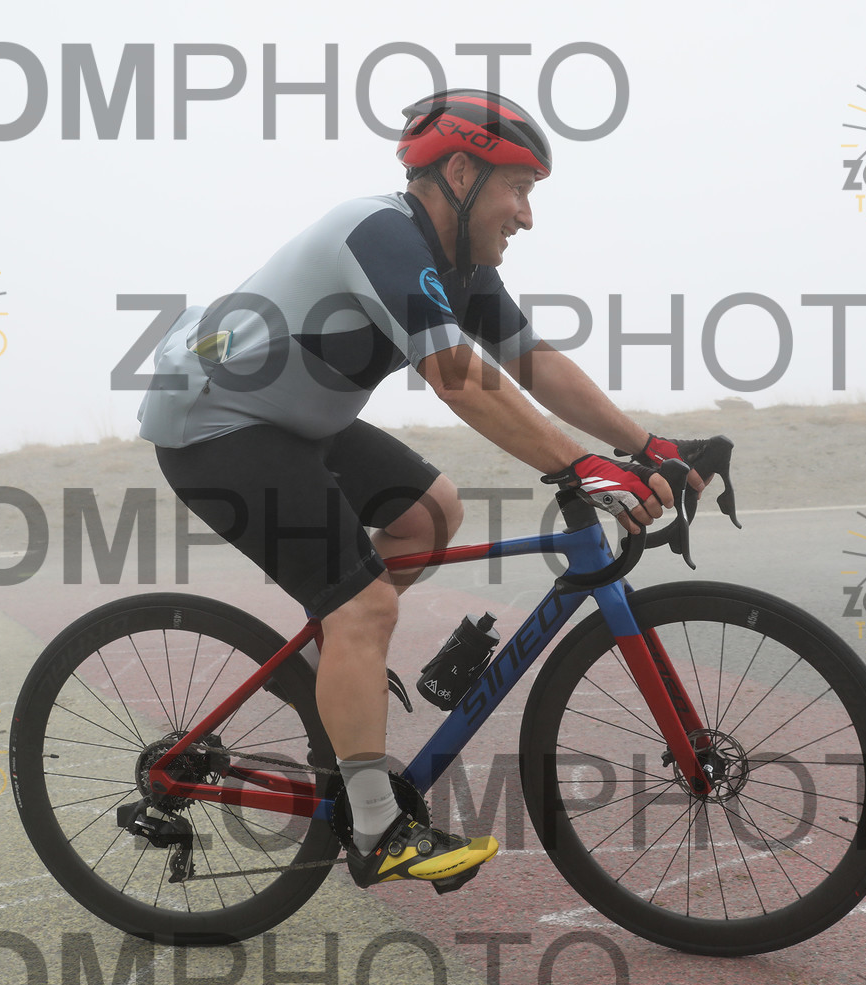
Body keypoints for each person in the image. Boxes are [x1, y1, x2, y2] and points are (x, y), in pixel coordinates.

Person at [138, 89, 701, 892]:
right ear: (462, 173)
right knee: (363, 604)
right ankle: (375, 828)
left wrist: (645, 446)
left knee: (431, 513)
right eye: (519, 189)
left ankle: (335, 677)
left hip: (297, 422)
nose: (527, 215)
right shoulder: (380, 235)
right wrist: (580, 465)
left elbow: (535, 364)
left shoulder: (460, 268)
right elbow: (458, 377)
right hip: (217, 426)